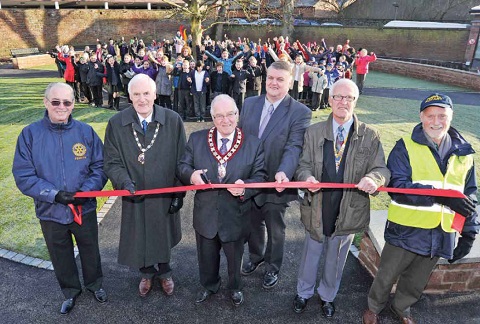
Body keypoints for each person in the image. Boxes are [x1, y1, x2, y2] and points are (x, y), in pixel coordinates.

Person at [362, 93, 479, 324]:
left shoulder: (465, 152)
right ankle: (373, 308)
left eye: (442, 116)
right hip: (406, 228)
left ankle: (401, 308)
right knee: (386, 275)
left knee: (417, 280)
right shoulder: (405, 146)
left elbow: (470, 194)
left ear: (451, 117)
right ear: (421, 117)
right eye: (430, 116)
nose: (436, 121)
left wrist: (469, 232)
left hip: (441, 232)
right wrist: (443, 198)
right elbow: (399, 187)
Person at [292, 78, 390, 318]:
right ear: (330, 99)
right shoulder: (314, 132)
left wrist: (374, 179)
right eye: (338, 96)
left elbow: (382, 169)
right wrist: (307, 178)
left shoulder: (370, 135)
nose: (343, 101)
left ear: (355, 101)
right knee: (311, 254)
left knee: (336, 258)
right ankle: (303, 293)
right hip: (317, 203)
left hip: (349, 206)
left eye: (349, 98)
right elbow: (302, 165)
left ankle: (327, 296)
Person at [12, 82, 108, 315]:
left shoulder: (85, 132)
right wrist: (54, 195)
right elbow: (24, 175)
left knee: (90, 250)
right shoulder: (30, 135)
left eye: (67, 102)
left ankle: (95, 284)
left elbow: (100, 166)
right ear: (46, 102)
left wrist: (84, 192)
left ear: (74, 104)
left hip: (83, 208)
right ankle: (70, 292)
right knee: (60, 254)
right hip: (50, 211)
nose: (61, 106)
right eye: (55, 102)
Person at [177, 94, 267, 307]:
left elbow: (260, 176)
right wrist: (191, 176)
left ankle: (235, 287)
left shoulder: (253, 144)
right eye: (219, 116)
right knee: (206, 257)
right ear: (212, 118)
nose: (225, 120)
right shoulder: (197, 139)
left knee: (235, 258)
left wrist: (245, 187)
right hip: (205, 213)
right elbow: (182, 166)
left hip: (236, 214)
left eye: (230, 115)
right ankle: (209, 285)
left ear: (238, 114)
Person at [103, 74, 186, 298]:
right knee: (140, 234)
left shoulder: (173, 119)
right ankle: (146, 273)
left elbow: (183, 159)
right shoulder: (116, 123)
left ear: (155, 94)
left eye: (146, 93)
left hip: (164, 195)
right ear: (129, 96)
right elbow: (111, 162)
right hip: (135, 193)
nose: (142, 99)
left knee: (163, 233)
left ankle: (165, 272)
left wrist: (179, 192)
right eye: (137, 94)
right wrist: (124, 182)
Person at [239, 60, 312, 289]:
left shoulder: (300, 112)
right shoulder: (249, 103)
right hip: (250, 180)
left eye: (280, 79)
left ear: (290, 82)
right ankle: (256, 257)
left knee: (275, 228)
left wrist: (284, 172)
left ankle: (272, 266)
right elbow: (240, 138)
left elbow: (294, 146)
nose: (274, 83)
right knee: (252, 223)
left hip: (277, 180)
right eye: (270, 77)